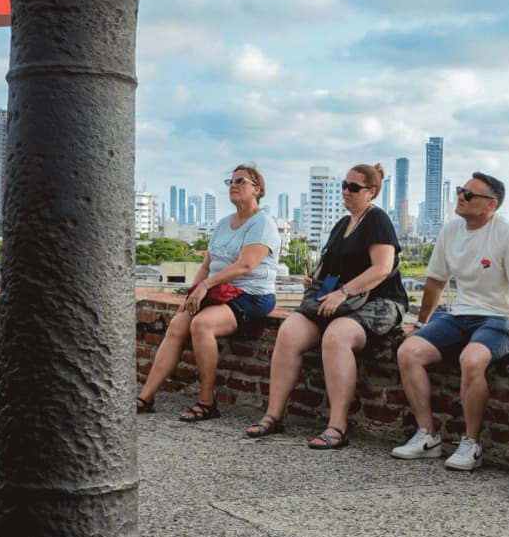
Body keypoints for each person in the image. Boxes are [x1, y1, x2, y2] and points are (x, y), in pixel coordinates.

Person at [245, 163, 406, 448]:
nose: (346, 191)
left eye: (353, 187)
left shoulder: (377, 220)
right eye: (344, 185)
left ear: (371, 192)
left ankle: (337, 426)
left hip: (377, 302)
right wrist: (316, 280)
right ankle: (273, 414)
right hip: (339, 301)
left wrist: (343, 292)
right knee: (289, 331)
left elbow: (382, 268)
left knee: (336, 337)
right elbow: (329, 266)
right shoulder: (342, 224)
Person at [393, 173, 509, 470]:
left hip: (503, 318)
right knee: (408, 352)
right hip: (461, 314)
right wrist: (422, 324)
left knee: (472, 359)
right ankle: (428, 436)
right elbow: (435, 283)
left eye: (469, 194)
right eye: (462, 191)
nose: (461, 197)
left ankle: (470, 444)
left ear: (491, 204)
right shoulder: (451, 231)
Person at [136, 164, 279, 421]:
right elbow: (206, 266)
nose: (233, 185)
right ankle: (145, 397)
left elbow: (245, 265)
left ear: (257, 189)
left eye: (240, 181)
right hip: (219, 291)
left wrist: (205, 286)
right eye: (230, 181)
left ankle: (206, 401)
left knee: (202, 325)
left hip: (252, 294)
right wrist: (192, 293)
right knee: (179, 324)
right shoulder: (224, 224)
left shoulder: (262, 224)